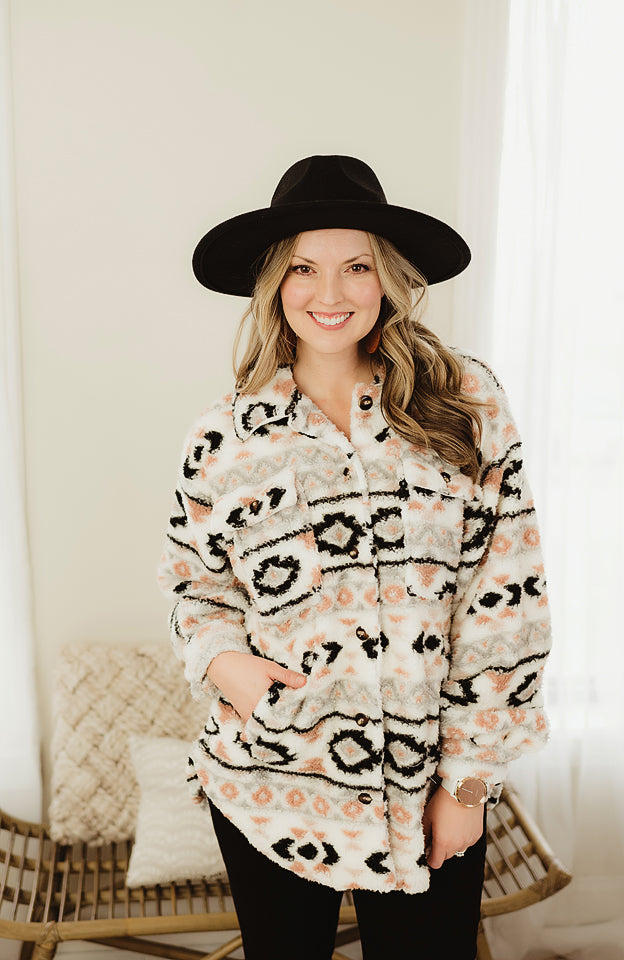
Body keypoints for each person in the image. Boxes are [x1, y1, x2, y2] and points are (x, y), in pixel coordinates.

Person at [157, 155, 551, 960]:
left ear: (387, 279)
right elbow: (194, 589)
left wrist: (467, 780)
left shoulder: (464, 402)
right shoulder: (225, 435)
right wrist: (226, 664)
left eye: (356, 267)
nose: (328, 293)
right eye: (303, 268)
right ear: (274, 283)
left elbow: (507, 598)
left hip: (426, 783)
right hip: (270, 782)